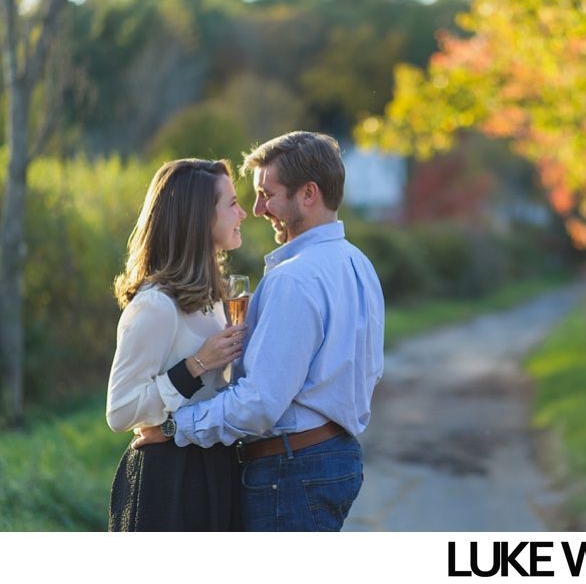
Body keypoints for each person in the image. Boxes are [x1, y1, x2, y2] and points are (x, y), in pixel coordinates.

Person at [131, 131, 385, 531]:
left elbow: (259, 403)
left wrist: (174, 427)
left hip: (290, 469)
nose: (258, 208)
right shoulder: (359, 265)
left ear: (308, 194)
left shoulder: (294, 279)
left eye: (268, 194)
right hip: (336, 457)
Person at [107, 159, 249, 531]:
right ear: (201, 217)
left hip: (216, 474)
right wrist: (195, 365)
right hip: (168, 484)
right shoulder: (155, 305)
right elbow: (120, 411)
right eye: (232, 203)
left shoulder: (216, 299)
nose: (244, 213)